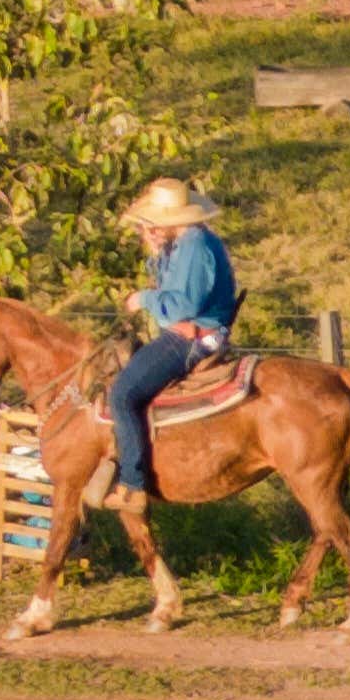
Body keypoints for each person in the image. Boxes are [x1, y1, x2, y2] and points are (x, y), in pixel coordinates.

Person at [103, 174, 240, 502]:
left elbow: (182, 306)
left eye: (150, 223)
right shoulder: (184, 243)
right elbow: (173, 285)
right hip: (189, 333)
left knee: (122, 395)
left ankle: (133, 484)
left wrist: (144, 299)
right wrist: (155, 253)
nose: (145, 229)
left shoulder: (193, 246)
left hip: (191, 339)